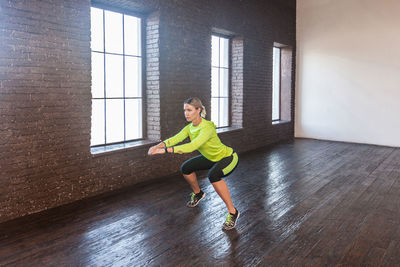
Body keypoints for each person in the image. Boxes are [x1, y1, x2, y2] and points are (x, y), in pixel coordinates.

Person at [147, 97, 240, 230]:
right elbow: (175, 138)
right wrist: (158, 146)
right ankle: (198, 193)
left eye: (189, 110)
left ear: (199, 110)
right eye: (185, 110)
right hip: (211, 157)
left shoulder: (207, 127)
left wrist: (164, 151)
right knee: (186, 168)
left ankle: (233, 212)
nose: (186, 113)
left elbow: (192, 146)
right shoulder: (189, 128)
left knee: (213, 176)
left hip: (228, 157)